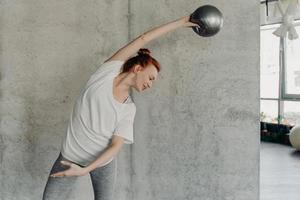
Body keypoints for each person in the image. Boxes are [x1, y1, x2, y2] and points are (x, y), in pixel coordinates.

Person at [42, 15, 199, 200]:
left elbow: (116, 146)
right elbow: (143, 39)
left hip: (103, 163)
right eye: (150, 78)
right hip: (69, 157)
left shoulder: (128, 109)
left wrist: (86, 170)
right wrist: (181, 23)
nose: (150, 85)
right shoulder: (106, 73)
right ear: (138, 68)